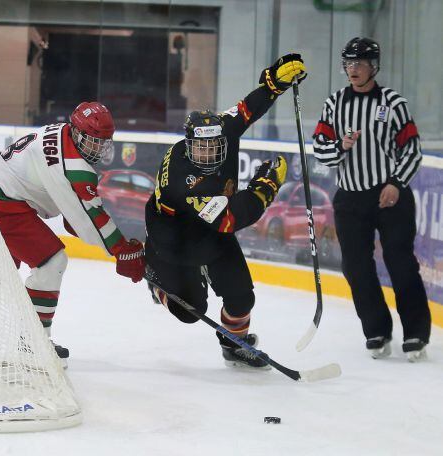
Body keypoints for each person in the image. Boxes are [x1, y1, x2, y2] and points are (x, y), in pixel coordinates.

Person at [144, 54, 306, 370]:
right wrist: (266, 185)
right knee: (190, 311)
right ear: (188, 144)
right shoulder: (184, 178)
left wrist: (272, 86)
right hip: (174, 238)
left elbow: (245, 110)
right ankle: (156, 281)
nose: (207, 153)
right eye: (200, 148)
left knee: (242, 297)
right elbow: (230, 218)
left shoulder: (223, 132)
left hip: (211, 233)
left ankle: (234, 345)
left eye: (213, 146)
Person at [0, 101, 145, 363]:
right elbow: (91, 219)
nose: (97, 148)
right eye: (91, 140)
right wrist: (122, 251)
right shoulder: (73, 167)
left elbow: (74, 211)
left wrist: (84, 222)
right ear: (75, 131)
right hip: (0, 198)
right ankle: (32, 343)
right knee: (52, 262)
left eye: (102, 141)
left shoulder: (62, 132)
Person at [312, 37, 429, 362]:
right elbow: (320, 148)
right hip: (350, 198)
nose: (353, 69)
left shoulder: (393, 102)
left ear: (373, 66)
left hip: (390, 196)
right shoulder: (335, 103)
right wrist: (341, 148)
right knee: (356, 267)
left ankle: (417, 333)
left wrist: (396, 182)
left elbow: (412, 149)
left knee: (400, 263)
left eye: (360, 63)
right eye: (349, 63)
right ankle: (376, 329)